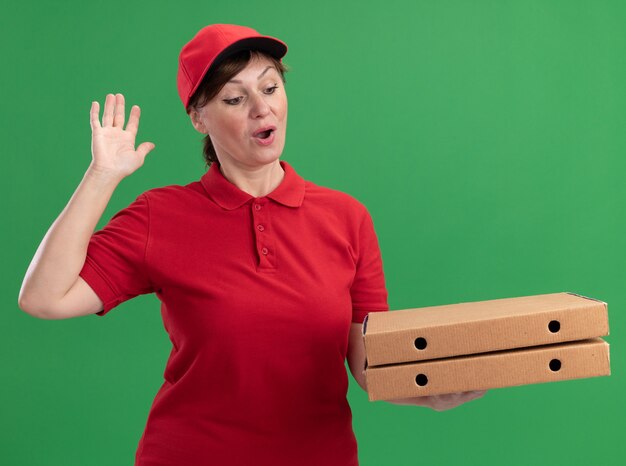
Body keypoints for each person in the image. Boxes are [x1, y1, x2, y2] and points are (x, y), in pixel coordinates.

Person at [18, 23, 485, 466]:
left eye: (270, 88)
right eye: (235, 98)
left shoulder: (346, 217)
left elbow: (368, 364)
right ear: (199, 117)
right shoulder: (160, 216)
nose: (262, 109)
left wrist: (429, 392)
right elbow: (44, 298)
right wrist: (101, 177)